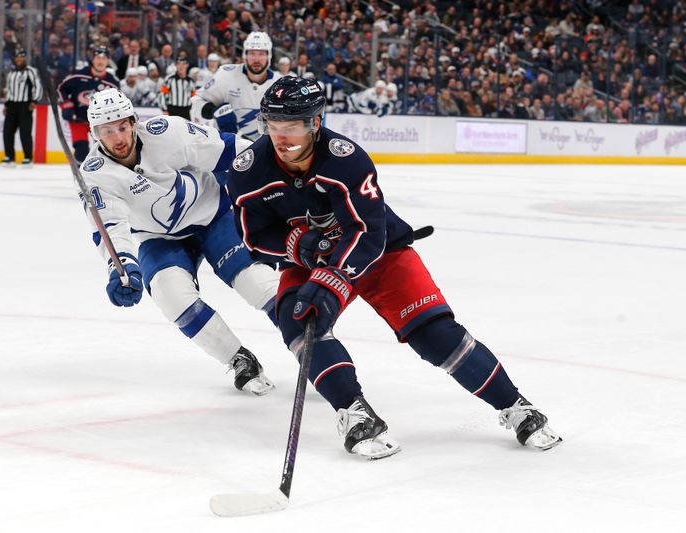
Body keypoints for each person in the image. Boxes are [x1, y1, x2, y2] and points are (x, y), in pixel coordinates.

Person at [226, 77, 562, 459]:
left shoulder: (345, 158)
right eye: (272, 126)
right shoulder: (249, 169)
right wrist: (295, 245)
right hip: (313, 260)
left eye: (290, 127)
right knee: (298, 320)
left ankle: (517, 407)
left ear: (316, 123)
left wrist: (333, 277)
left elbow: (368, 231)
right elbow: (252, 235)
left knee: (433, 332)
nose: (279, 137)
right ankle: (355, 413)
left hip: (379, 252)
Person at [78, 87, 280, 395]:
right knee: (169, 294)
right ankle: (238, 358)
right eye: (107, 131)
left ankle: (308, 341)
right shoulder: (94, 174)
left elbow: (227, 150)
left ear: (133, 122)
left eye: (122, 126)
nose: (118, 137)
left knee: (257, 282)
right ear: (95, 134)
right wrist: (122, 269)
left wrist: (273, 180)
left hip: (213, 216)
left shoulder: (167, 131)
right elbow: (109, 226)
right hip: (158, 237)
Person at [190, 31, 281, 141]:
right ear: (245, 55)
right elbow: (196, 101)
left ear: (268, 56)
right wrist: (213, 111)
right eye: (252, 53)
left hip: (266, 150)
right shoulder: (226, 75)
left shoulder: (279, 83)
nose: (256, 59)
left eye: (261, 54)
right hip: (227, 147)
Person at [57, 45, 120, 163]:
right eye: (97, 58)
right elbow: (61, 88)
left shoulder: (113, 83)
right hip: (78, 120)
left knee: (104, 152)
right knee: (81, 152)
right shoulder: (78, 75)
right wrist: (66, 105)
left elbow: (116, 104)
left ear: (108, 61)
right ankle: (82, 177)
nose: (100, 61)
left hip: (101, 123)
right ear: (93, 59)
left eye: (103, 58)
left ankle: (102, 177)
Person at [1, 47, 43, 168]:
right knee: (7, 131)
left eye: (21, 56)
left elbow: (37, 86)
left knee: (25, 132)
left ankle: (28, 157)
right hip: (12, 105)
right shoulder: (11, 73)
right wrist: (6, 104)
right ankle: (10, 157)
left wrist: (35, 100)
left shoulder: (31, 71)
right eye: (17, 56)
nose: (19, 59)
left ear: (24, 58)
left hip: (25, 105)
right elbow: (8, 89)